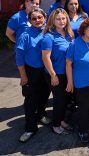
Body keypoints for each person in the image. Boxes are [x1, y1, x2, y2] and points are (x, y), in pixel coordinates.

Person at [15, 8, 51, 143]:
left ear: (45, 17)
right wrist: (23, 76)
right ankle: (30, 128)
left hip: (45, 71)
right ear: (29, 20)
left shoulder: (47, 33)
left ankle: (41, 114)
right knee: (30, 100)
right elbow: (19, 57)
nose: (37, 20)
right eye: (34, 18)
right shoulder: (25, 35)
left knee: (44, 94)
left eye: (39, 17)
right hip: (31, 72)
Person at [66, 17, 89, 144]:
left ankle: (88, 124)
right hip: (81, 82)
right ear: (84, 29)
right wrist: (70, 82)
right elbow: (68, 64)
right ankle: (82, 130)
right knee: (84, 107)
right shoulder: (74, 44)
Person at [42, 8, 74, 135]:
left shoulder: (69, 35)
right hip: (55, 74)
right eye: (58, 19)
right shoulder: (48, 37)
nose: (61, 21)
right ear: (52, 21)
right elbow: (45, 58)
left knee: (65, 99)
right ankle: (56, 126)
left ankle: (61, 120)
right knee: (59, 100)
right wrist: (53, 75)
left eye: (63, 18)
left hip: (67, 72)